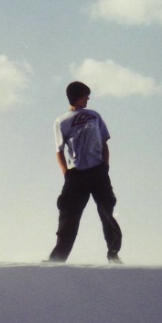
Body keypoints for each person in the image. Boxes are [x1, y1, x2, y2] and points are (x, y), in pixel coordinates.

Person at [48, 81, 123, 263]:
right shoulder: (61, 121)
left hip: (98, 172)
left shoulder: (94, 116)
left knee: (107, 211)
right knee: (68, 216)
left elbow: (104, 143)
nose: (88, 98)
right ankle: (57, 259)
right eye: (85, 95)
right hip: (76, 175)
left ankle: (113, 255)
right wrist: (66, 173)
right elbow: (59, 150)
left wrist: (105, 166)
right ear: (76, 97)